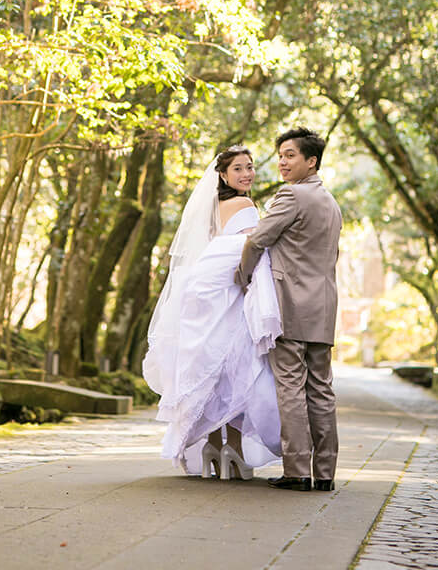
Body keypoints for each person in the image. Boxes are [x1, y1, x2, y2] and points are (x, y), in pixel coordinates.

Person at [143, 146, 282, 479]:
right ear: (222, 175)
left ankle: (212, 447)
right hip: (229, 293)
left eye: (250, 167)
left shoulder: (211, 208)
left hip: (202, 292)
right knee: (237, 368)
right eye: (238, 169)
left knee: (208, 368)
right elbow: (252, 250)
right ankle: (232, 446)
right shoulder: (246, 205)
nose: (247, 174)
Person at [235, 127, 342, 492]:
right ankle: (324, 472)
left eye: (291, 155)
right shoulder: (330, 202)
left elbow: (257, 240)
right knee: (322, 389)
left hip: (291, 305)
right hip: (324, 307)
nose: (282, 161)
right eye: (280, 154)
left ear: (311, 161)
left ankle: (297, 470)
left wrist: (244, 276)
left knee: (291, 387)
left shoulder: (292, 196)